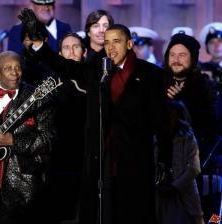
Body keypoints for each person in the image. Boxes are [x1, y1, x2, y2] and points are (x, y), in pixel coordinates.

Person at [20, 9, 173, 224]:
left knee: (135, 214)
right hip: (103, 158)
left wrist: (165, 161)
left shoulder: (150, 74)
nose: (111, 47)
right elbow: (62, 65)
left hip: (136, 159)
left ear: (129, 44)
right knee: (104, 212)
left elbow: (162, 122)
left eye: (117, 41)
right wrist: (39, 44)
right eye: (107, 42)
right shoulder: (97, 69)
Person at [0, 51, 56, 224]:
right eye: (8, 68)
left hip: (21, 184)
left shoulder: (38, 97)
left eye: (17, 68)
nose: (14, 72)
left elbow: (48, 139)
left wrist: (14, 141)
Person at [162, 33, 219, 220]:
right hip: (162, 171)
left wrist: (181, 103)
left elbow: (212, 127)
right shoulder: (156, 85)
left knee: (206, 217)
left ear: (193, 59)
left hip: (197, 170)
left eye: (182, 55)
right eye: (172, 55)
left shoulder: (206, 88)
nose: (176, 60)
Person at [45, 32, 86, 223]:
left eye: (76, 47)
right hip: (58, 156)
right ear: (59, 54)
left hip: (86, 154)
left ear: (84, 52)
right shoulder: (50, 83)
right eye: (66, 48)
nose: (72, 51)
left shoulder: (93, 80)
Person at [155, 100, 205, 224]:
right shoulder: (158, 138)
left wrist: (174, 186)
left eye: (173, 115)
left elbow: (194, 168)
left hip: (182, 194)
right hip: (162, 193)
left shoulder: (187, 139)